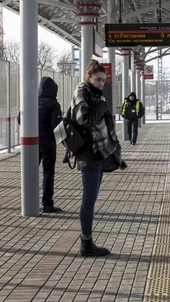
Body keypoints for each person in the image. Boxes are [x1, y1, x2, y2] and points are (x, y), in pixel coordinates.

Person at [71, 59, 126, 257]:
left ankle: (87, 241)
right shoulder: (81, 93)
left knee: (91, 198)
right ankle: (86, 242)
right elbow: (85, 120)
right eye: (98, 79)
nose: (102, 83)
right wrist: (102, 107)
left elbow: (105, 126)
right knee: (89, 198)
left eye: (104, 80)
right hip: (89, 153)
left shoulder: (95, 94)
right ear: (88, 77)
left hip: (97, 152)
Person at [38, 77, 62, 213]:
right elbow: (56, 125)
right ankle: (47, 203)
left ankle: (29, 201)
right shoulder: (54, 104)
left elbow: (20, 120)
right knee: (48, 174)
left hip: (32, 144)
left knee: (31, 173)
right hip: (48, 144)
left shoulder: (30, 101)